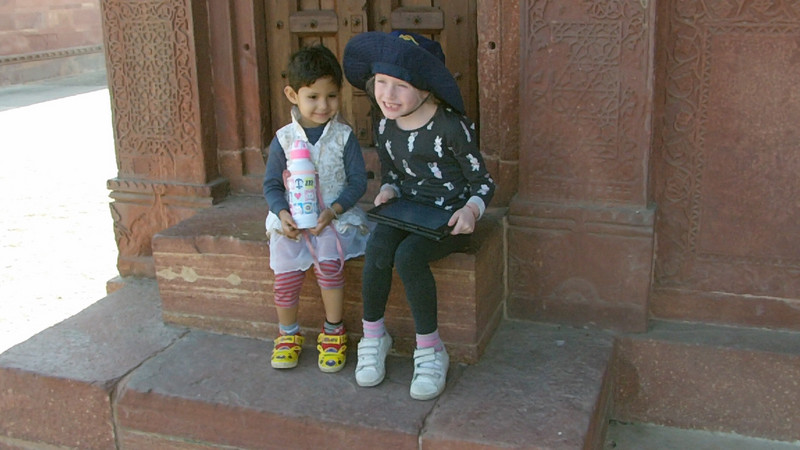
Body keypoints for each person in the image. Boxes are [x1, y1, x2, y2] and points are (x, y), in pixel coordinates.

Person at [343, 31, 496, 400]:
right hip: (408, 211)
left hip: (448, 218)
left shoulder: (449, 126)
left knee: (408, 257)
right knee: (378, 244)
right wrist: (389, 190)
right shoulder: (384, 125)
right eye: (381, 83)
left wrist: (471, 210)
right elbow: (394, 173)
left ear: (426, 90)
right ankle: (374, 335)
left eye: (401, 86)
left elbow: (484, 182)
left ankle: (430, 349)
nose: (388, 96)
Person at [263, 45, 369, 373]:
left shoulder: (343, 137)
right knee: (286, 276)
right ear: (292, 94)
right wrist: (282, 214)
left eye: (332, 96)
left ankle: (334, 330)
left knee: (329, 264)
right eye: (313, 97)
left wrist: (335, 210)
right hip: (292, 220)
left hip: (332, 219)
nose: (324, 105)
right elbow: (271, 185)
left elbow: (357, 182)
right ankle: (288, 333)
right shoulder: (283, 140)